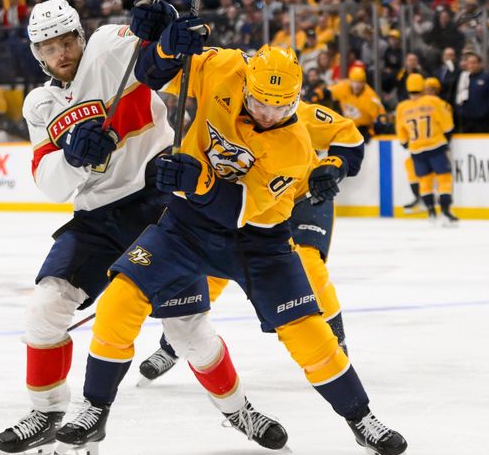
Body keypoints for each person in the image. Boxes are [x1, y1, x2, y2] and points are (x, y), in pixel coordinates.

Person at [53, 11, 410, 455]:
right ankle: (94, 410)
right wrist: (167, 43)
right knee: (122, 298)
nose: (268, 114)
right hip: (184, 228)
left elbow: (237, 209)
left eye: (281, 107)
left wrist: (195, 180)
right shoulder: (223, 67)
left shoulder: (295, 146)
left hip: (257, 240)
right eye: (261, 103)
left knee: (306, 331)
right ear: (246, 83)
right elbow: (150, 74)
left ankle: (361, 419)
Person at [0, 0, 286, 455]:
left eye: (67, 41)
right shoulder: (40, 104)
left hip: (157, 206)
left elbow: (155, 53)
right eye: (49, 48)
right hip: (95, 218)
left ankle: (238, 410)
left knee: (187, 329)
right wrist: (70, 157)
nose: (61, 53)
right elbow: (48, 184)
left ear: (80, 37)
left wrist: (163, 22)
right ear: (37, 54)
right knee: (47, 306)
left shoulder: (111, 47)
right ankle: (47, 415)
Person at [139, 102, 364, 383]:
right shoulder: (227, 111)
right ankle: (173, 345)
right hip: (252, 208)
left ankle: (335, 344)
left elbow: (348, 135)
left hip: (304, 198)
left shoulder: (302, 115)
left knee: (309, 266)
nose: (268, 110)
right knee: (208, 271)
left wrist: (333, 167)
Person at [395, 74, 457, 225]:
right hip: (435, 145)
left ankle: (431, 213)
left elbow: (401, 132)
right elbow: (447, 125)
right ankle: (446, 212)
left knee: (424, 181)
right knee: (444, 178)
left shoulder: (402, 107)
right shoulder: (433, 101)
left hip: (416, 149)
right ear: (422, 86)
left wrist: (405, 142)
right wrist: (446, 133)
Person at [329, 66, 386, 143]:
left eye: (360, 82)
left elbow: (381, 118)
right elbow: (327, 92)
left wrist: (371, 132)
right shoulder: (343, 87)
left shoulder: (371, 98)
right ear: (350, 81)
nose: (357, 85)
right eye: (354, 81)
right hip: (346, 126)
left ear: (364, 82)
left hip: (363, 128)